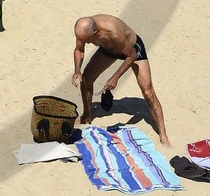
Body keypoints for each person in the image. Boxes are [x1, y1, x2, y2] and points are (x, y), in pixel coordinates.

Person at [72, 14, 170, 146]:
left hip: (133, 49)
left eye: (88, 40)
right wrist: (77, 70)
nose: (86, 42)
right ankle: (86, 116)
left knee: (148, 91)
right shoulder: (83, 28)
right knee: (86, 79)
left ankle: (163, 135)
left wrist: (115, 77)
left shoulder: (113, 32)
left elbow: (131, 55)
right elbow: (79, 50)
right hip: (109, 49)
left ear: (96, 32)